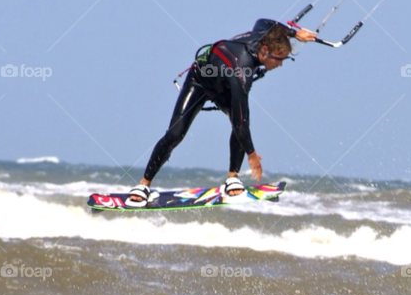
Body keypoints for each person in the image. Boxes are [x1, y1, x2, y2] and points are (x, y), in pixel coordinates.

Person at [126, 19, 317, 207]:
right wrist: (251, 154)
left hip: (224, 88)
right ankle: (144, 184)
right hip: (199, 81)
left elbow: (265, 22)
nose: (280, 64)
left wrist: (294, 33)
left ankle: (232, 178)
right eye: (279, 58)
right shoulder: (243, 72)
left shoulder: (262, 35)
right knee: (176, 133)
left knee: (240, 122)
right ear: (265, 51)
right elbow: (241, 122)